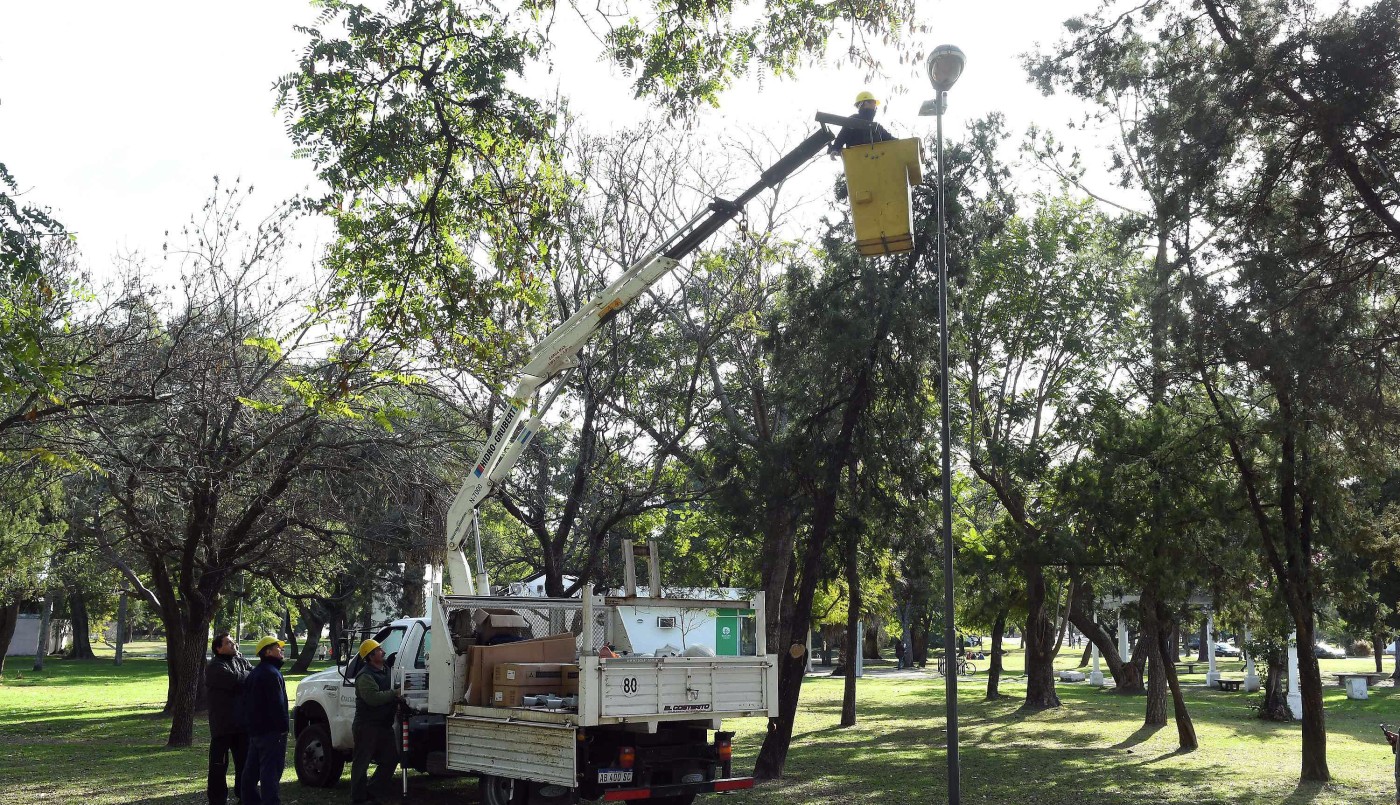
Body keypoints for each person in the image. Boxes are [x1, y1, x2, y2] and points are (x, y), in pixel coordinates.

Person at [350, 638, 401, 805]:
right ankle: (358, 798)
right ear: (371, 656)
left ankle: (372, 792)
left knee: (391, 758)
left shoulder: (386, 670)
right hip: (367, 726)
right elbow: (373, 698)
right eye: (379, 650)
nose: (383, 652)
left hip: (383, 725)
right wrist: (395, 693)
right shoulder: (365, 676)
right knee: (362, 762)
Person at [240, 636, 289, 805]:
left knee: (250, 774)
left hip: (256, 732)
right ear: (267, 652)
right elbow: (277, 704)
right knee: (270, 774)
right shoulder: (271, 673)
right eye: (277, 647)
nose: (281, 650)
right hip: (271, 732)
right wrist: (283, 728)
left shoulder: (256, 672)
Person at [206, 632, 251, 805]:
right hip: (222, 726)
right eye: (228, 643)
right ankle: (217, 800)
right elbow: (234, 680)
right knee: (218, 766)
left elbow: (253, 675)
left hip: (243, 725)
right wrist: (245, 676)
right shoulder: (215, 666)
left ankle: (244, 796)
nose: (233, 644)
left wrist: (244, 676)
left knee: (245, 764)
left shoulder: (241, 662)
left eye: (233, 642)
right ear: (218, 648)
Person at [828, 90, 896, 157]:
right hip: (857, 161)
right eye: (874, 103)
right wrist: (835, 149)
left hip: (876, 162)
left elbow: (893, 141)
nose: (875, 106)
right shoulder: (853, 121)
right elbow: (842, 137)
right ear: (865, 103)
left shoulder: (877, 127)